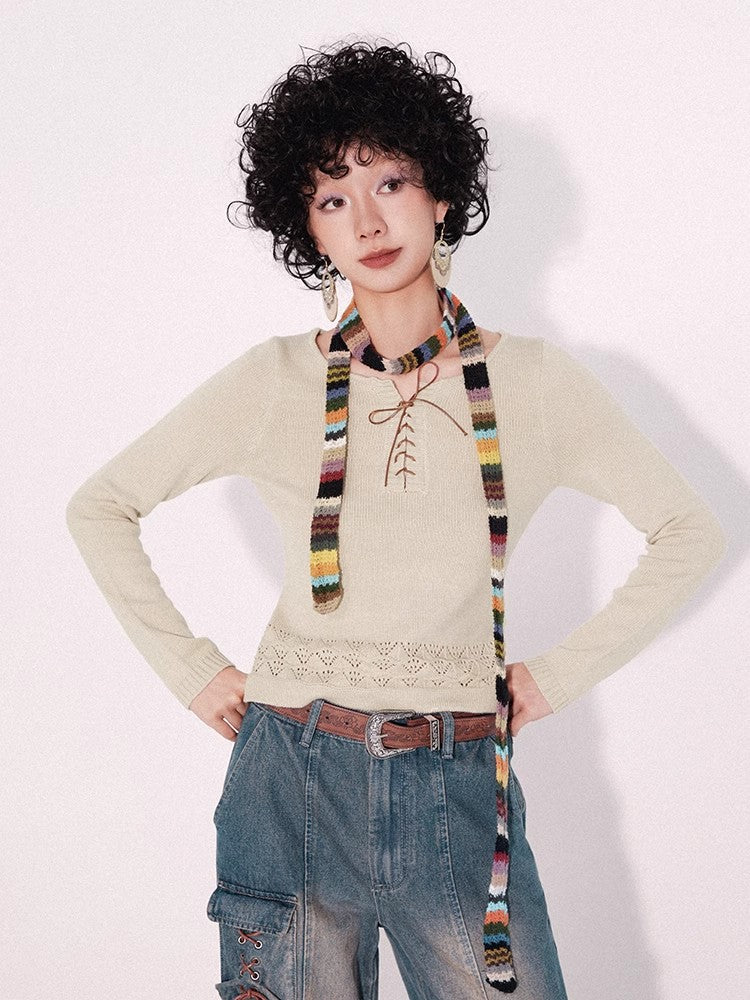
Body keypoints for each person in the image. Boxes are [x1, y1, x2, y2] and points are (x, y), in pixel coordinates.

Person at [65, 40, 727, 1000]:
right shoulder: (274, 380)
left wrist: (552, 678)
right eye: (333, 198)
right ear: (308, 228)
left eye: (390, 182)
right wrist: (191, 669)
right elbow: (101, 505)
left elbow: (688, 531)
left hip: (455, 780)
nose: (369, 221)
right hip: (288, 777)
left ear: (440, 194)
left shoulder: (535, 384)